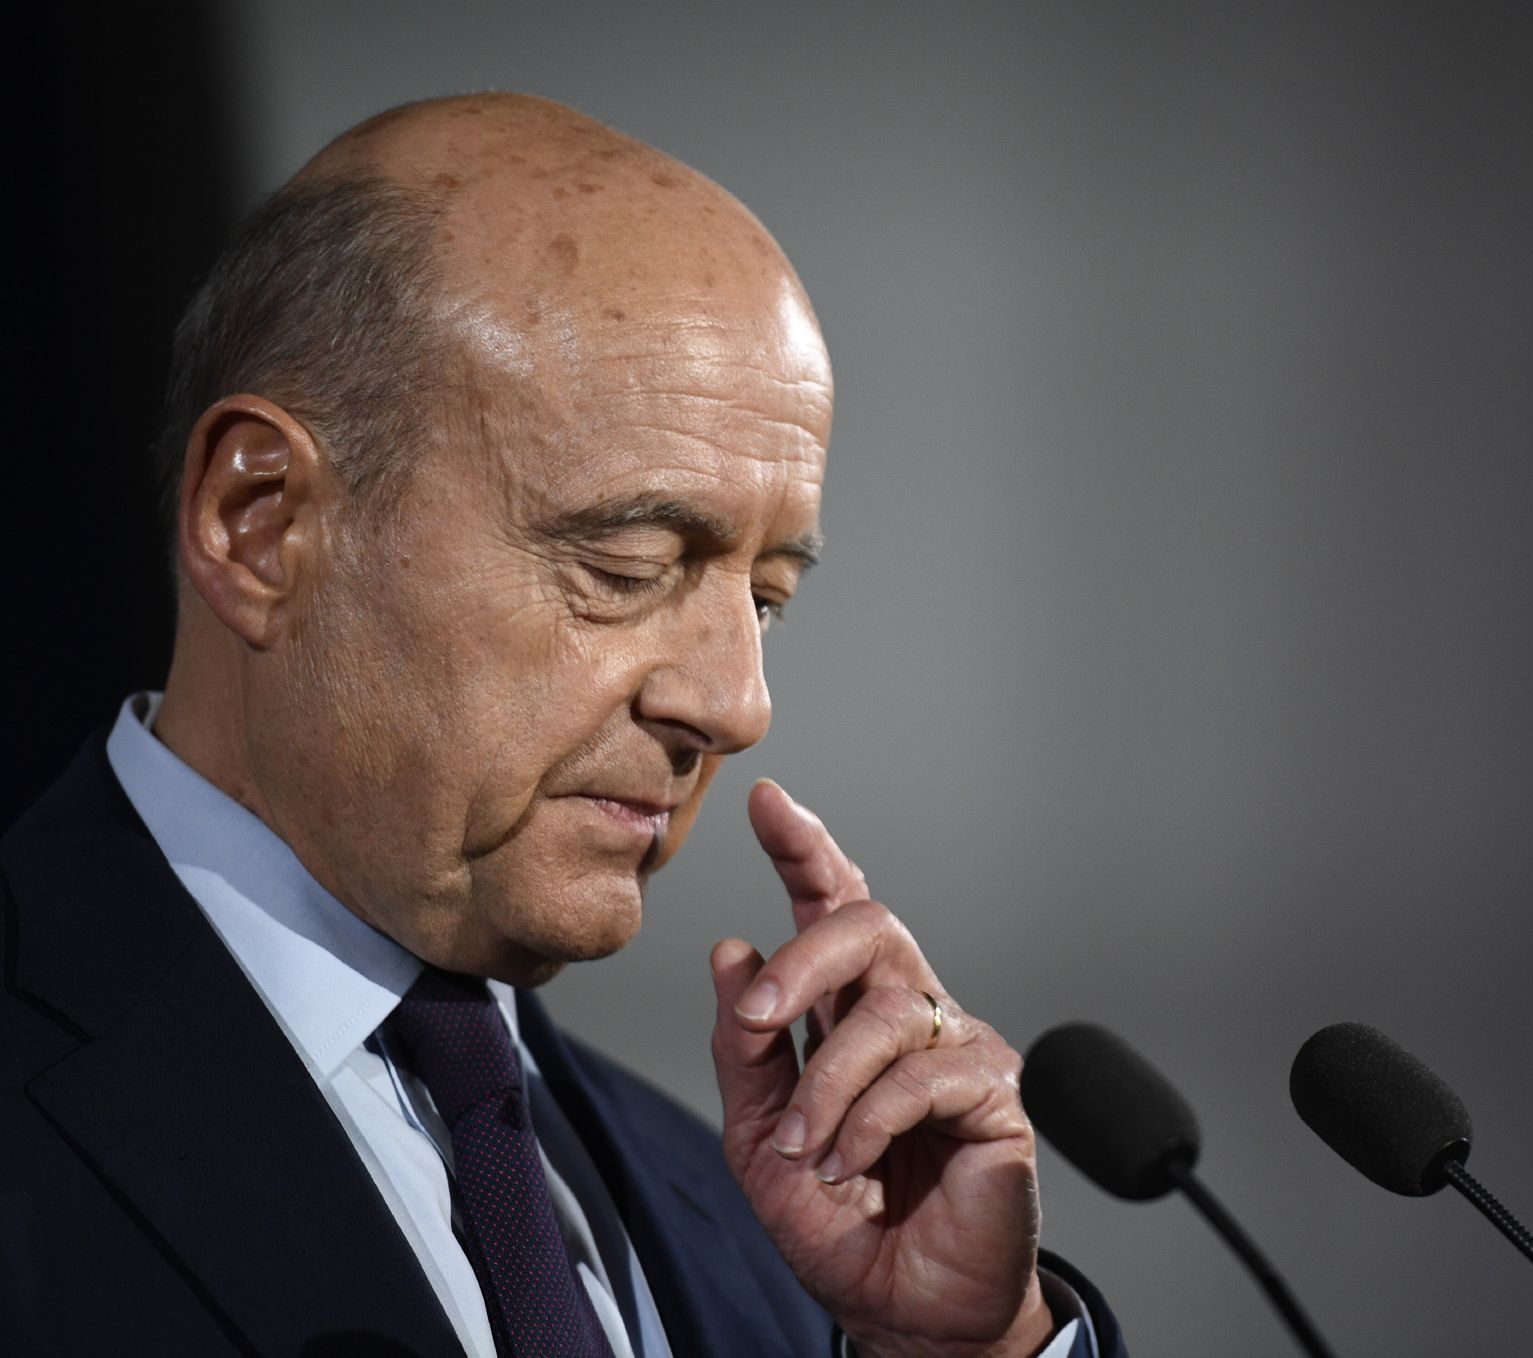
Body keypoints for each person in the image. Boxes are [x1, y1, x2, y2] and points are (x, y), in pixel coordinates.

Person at [0, 94, 1126, 1358]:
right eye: (628, 566)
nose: (737, 704)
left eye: (765, 600)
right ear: (262, 526)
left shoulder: (789, 1228)